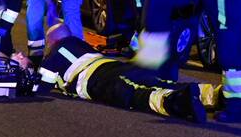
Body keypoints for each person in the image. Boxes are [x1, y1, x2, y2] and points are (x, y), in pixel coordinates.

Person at [37, 23, 208, 123]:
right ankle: (212, 95)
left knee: (132, 94)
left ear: (52, 41)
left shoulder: (55, 52)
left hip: (94, 78)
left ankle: (177, 103)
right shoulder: (78, 42)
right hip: (114, 65)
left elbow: (41, 87)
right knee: (156, 81)